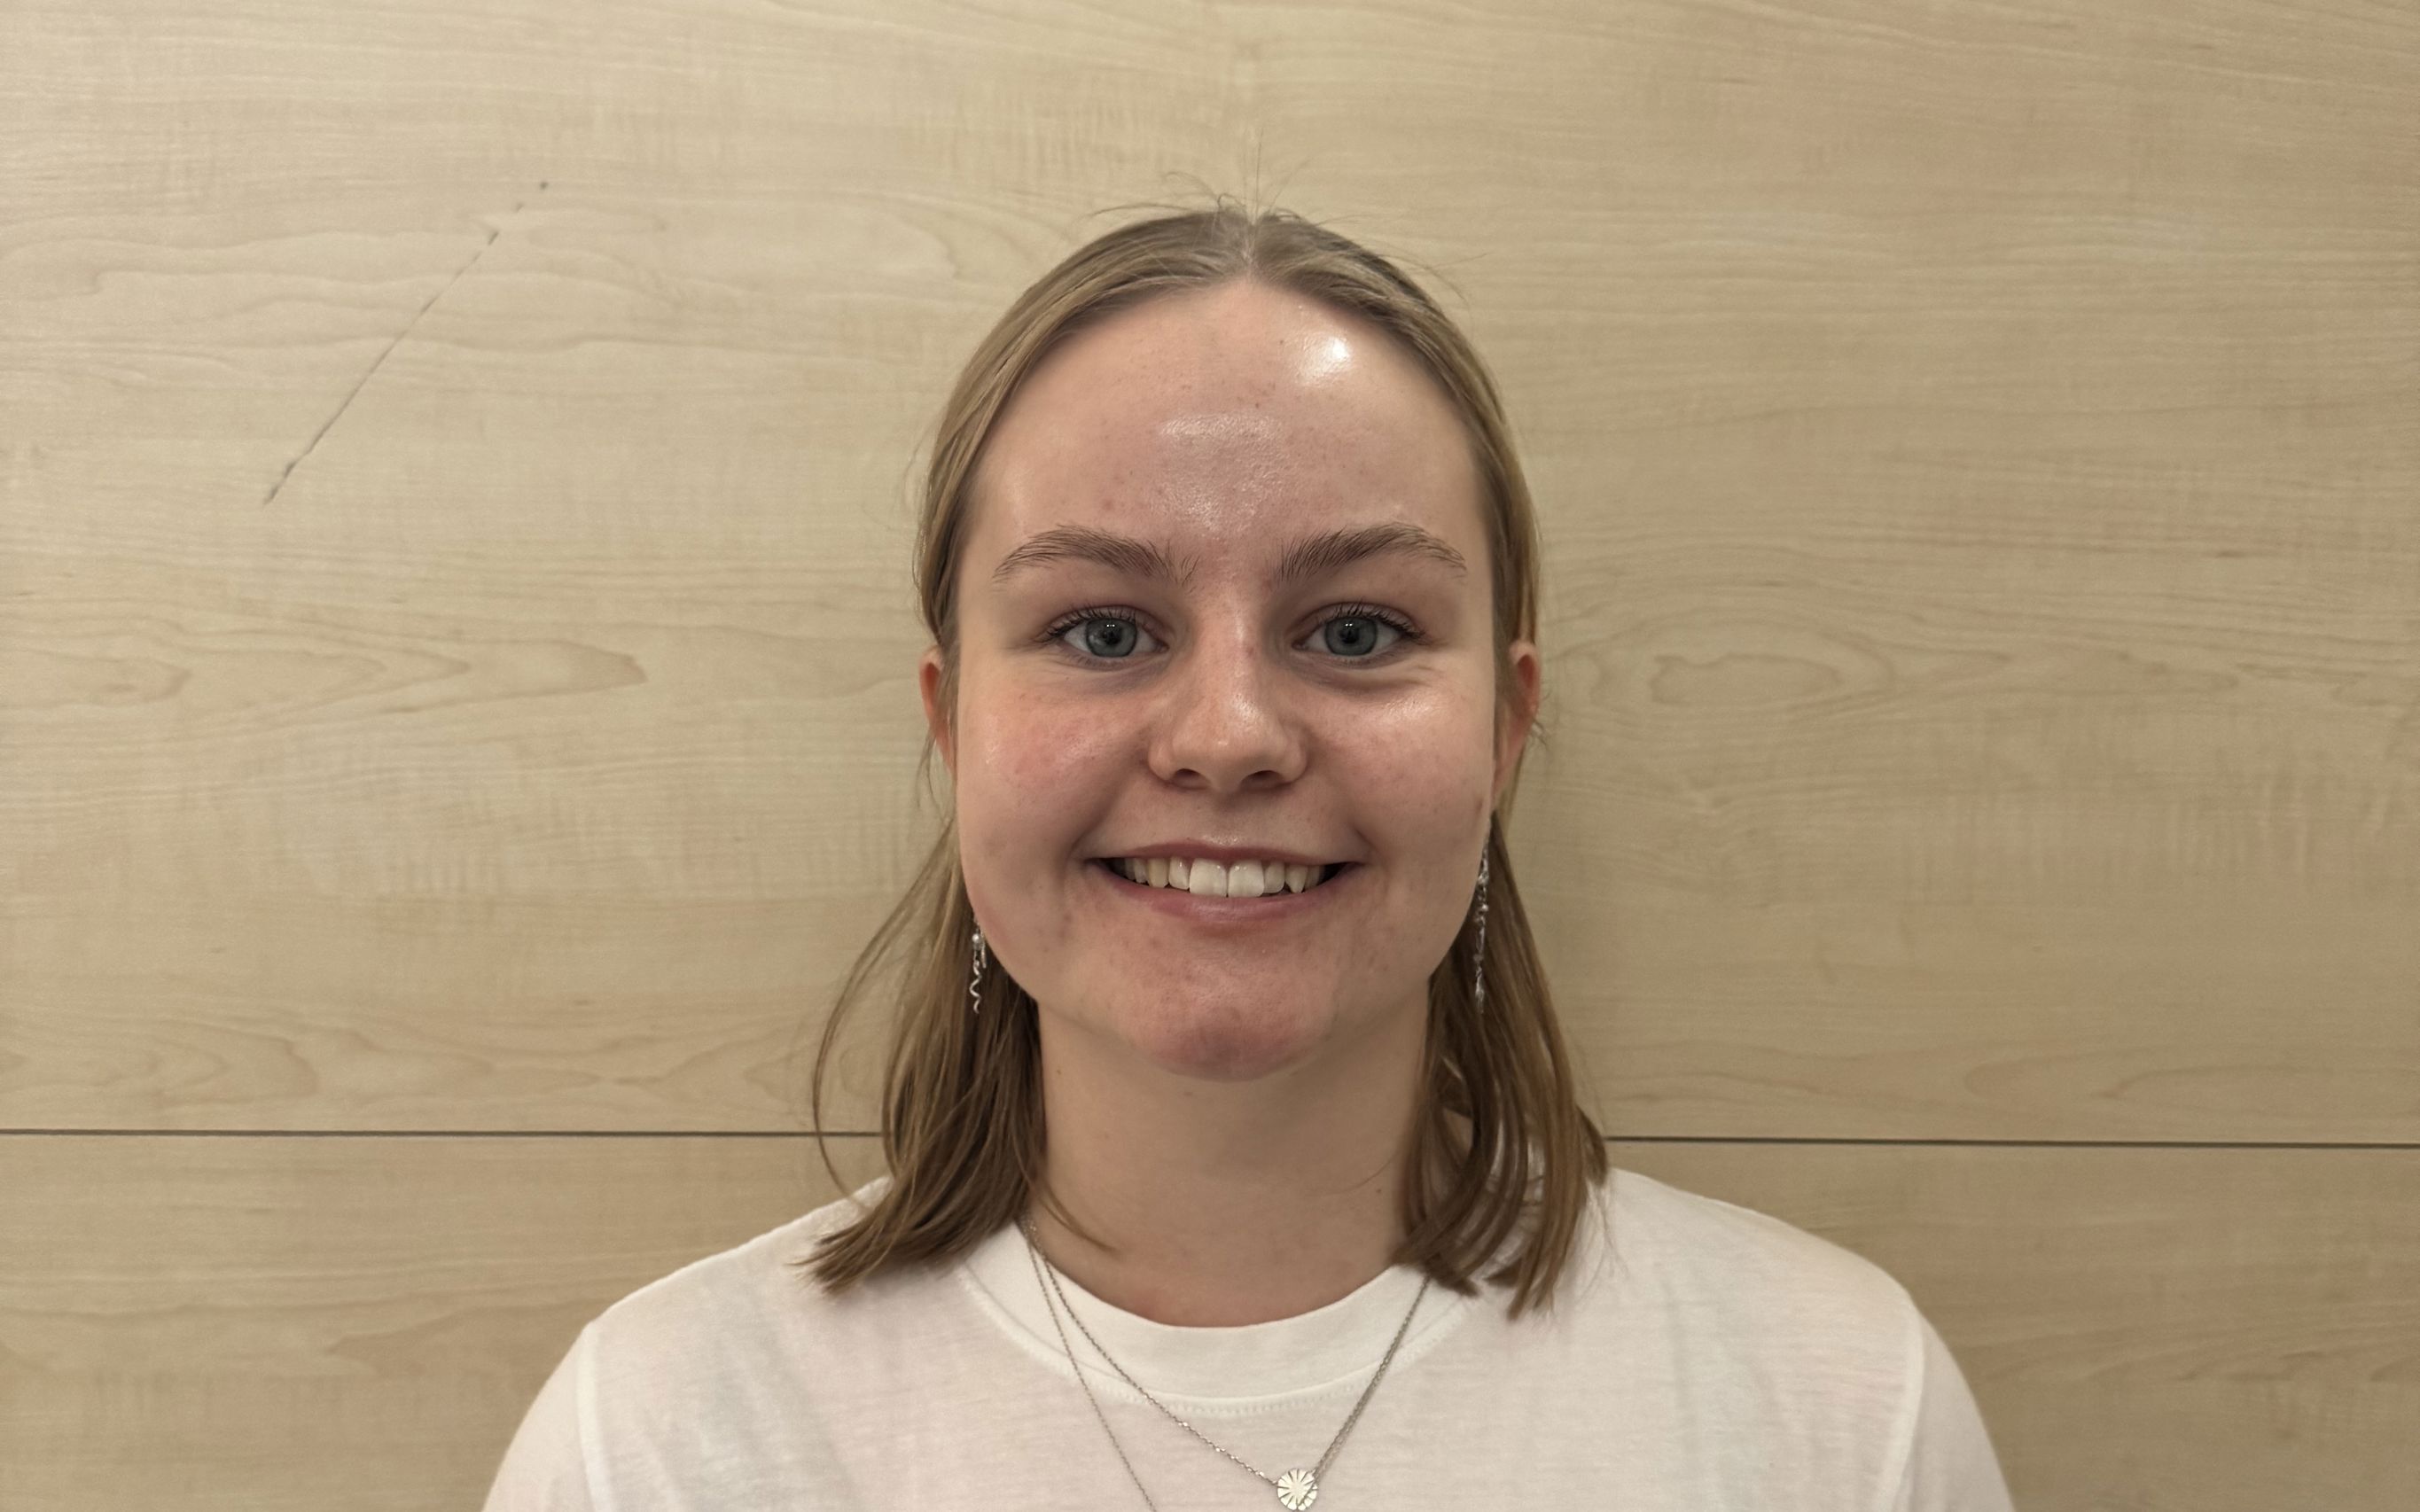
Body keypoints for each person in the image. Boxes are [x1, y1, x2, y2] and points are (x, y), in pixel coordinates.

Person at [480, 199, 2017, 1509]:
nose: (1227, 736)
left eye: (1355, 630)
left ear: (1503, 728)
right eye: (1102, 629)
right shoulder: (661, 1445)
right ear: (953, 726)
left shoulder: (1841, 1416)